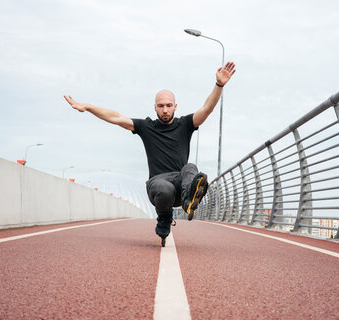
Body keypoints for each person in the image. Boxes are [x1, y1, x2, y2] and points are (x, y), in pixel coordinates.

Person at [64, 61, 236, 243]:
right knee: (164, 188)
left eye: (169, 105)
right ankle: (164, 218)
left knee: (191, 167)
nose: (165, 110)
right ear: (155, 107)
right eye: (161, 106)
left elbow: (207, 108)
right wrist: (89, 107)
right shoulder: (146, 126)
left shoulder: (185, 124)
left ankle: (189, 202)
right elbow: (115, 117)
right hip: (158, 183)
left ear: (175, 107)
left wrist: (219, 85)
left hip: (180, 185)